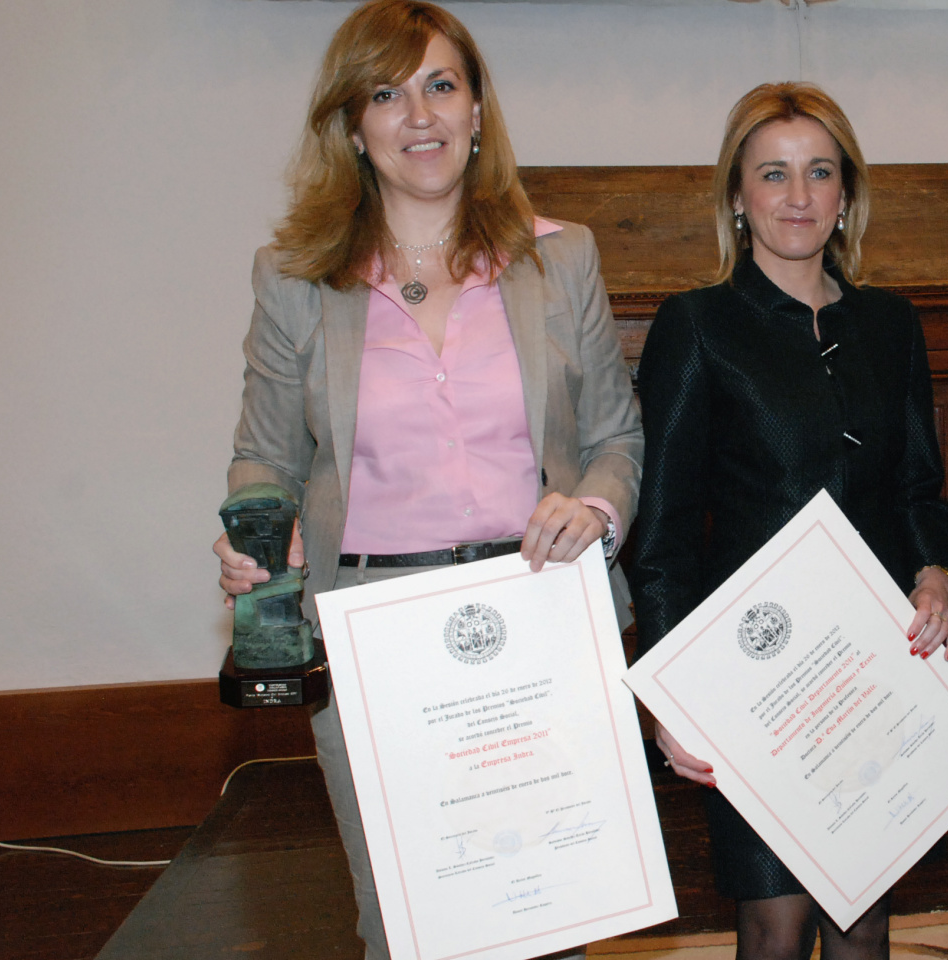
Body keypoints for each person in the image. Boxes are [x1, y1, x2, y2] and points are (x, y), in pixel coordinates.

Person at [212, 2, 641, 957]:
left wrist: (596, 508)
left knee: (554, 913)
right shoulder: (294, 276)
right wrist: (258, 535)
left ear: (477, 110)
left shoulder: (559, 258)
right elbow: (265, 457)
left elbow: (616, 435)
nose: (420, 114)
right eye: (386, 92)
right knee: (411, 926)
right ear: (352, 126)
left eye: (441, 85)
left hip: (538, 617)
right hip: (374, 631)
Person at [630, 82, 948, 960]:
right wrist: (670, 697)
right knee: (775, 927)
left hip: (875, 672)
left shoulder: (890, 323)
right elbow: (658, 533)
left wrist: (936, 576)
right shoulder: (696, 327)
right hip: (758, 679)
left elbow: (919, 486)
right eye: (773, 175)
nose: (799, 196)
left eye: (820, 172)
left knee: (864, 924)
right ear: (737, 198)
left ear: (846, 192)